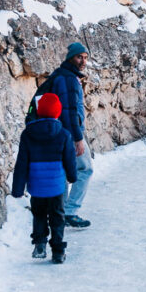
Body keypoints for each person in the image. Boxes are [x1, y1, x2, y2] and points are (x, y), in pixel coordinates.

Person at [12, 92, 76, 264]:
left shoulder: (28, 134)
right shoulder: (64, 135)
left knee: (39, 214)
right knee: (57, 216)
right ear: (57, 112)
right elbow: (69, 159)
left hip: (37, 185)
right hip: (56, 185)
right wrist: (72, 176)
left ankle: (39, 243)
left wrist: (18, 188)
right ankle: (57, 251)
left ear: (39, 111)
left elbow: (22, 162)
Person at [37, 41, 94, 228]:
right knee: (85, 169)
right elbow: (68, 112)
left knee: (62, 172)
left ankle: (60, 213)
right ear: (71, 58)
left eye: (85, 58)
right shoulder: (68, 79)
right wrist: (78, 138)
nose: (83, 61)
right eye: (79, 57)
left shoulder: (62, 76)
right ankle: (69, 211)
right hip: (69, 134)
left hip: (58, 133)